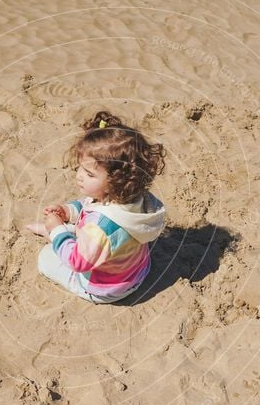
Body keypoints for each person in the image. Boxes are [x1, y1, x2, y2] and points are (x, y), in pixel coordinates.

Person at [25, 110, 167, 304]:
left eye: (90, 174)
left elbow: (78, 262)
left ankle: (53, 232)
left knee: (46, 257)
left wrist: (57, 229)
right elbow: (88, 205)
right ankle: (53, 231)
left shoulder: (102, 227)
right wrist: (68, 211)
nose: (79, 176)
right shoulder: (132, 197)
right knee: (71, 232)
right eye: (81, 168)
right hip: (137, 270)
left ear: (116, 181)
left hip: (107, 288)